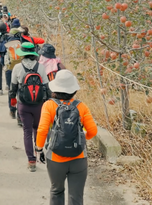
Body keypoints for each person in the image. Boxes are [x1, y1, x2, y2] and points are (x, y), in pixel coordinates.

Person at [36, 70, 98, 205]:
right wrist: (81, 138)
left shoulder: (49, 105)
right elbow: (93, 131)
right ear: (73, 89)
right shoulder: (81, 106)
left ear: (55, 88)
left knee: (56, 191)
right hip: (79, 157)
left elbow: (42, 130)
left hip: (55, 158)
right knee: (76, 197)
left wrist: (39, 149)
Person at [10, 42, 50, 172]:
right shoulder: (41, 67)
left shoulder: (17, 67)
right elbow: (46, 86)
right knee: (37, 129)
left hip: (23, 104)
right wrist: (48, 102)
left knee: (27, 131)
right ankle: (39, 151)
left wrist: (12, 102)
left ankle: (31, 160)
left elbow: (13, 87)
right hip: (38, 104)